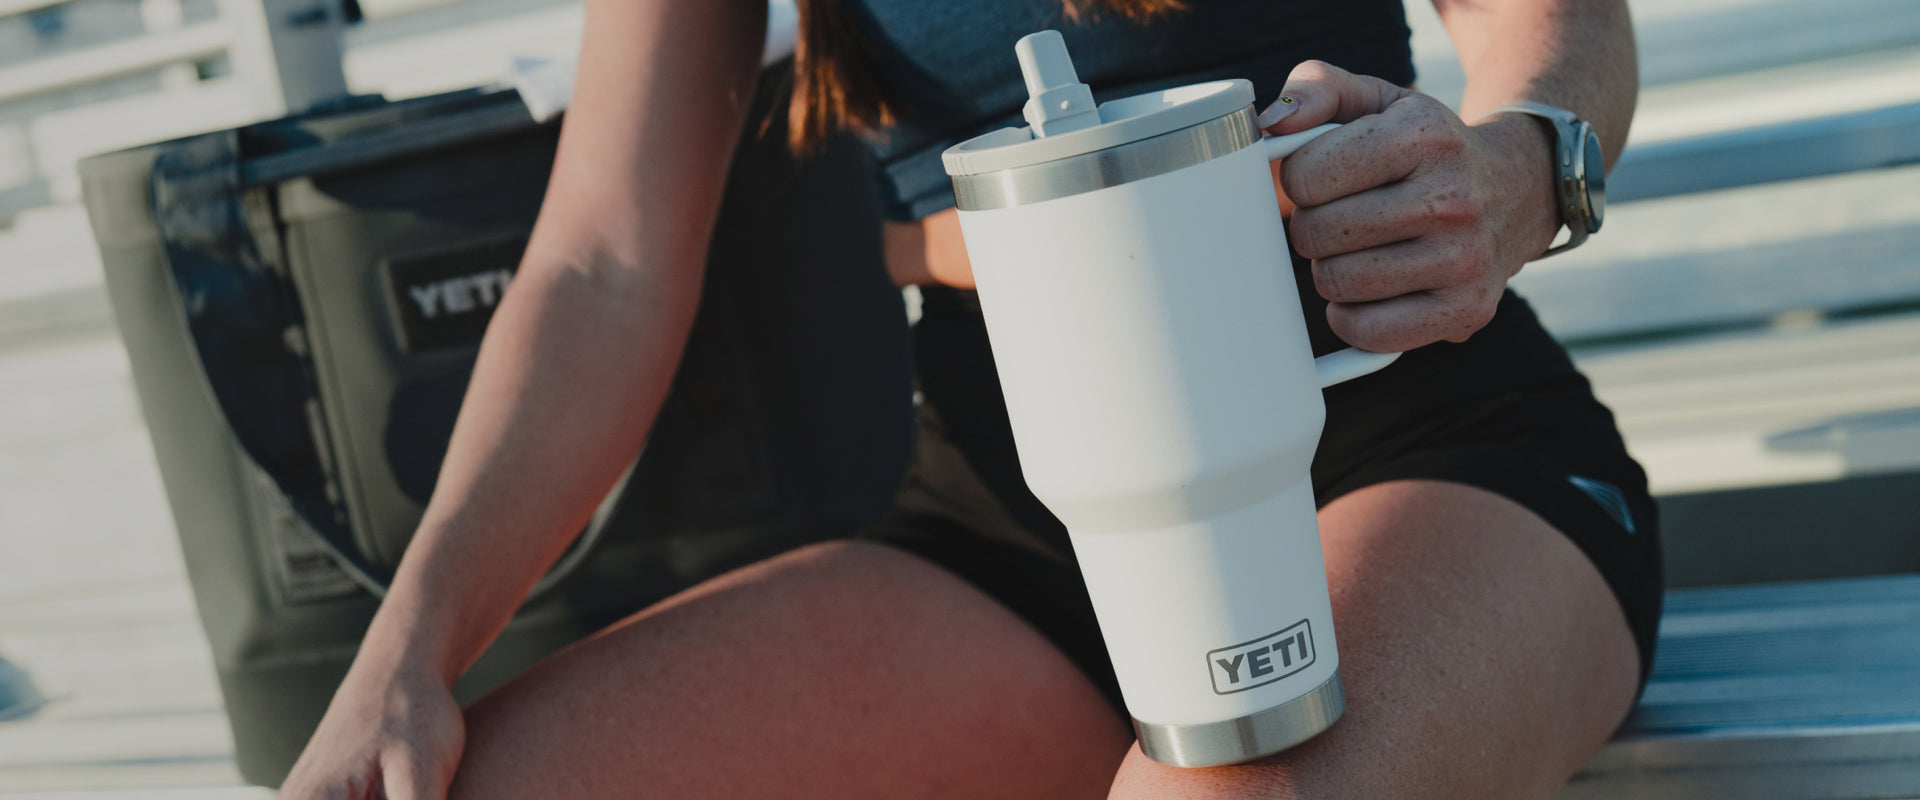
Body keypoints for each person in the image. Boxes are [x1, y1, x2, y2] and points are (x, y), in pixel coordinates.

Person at [279, 0, 1661, 797]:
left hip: (1424, 447)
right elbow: (605, 266)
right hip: (1008, 530)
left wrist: (1519, 167)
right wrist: (406, 653)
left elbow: (1552, 27)